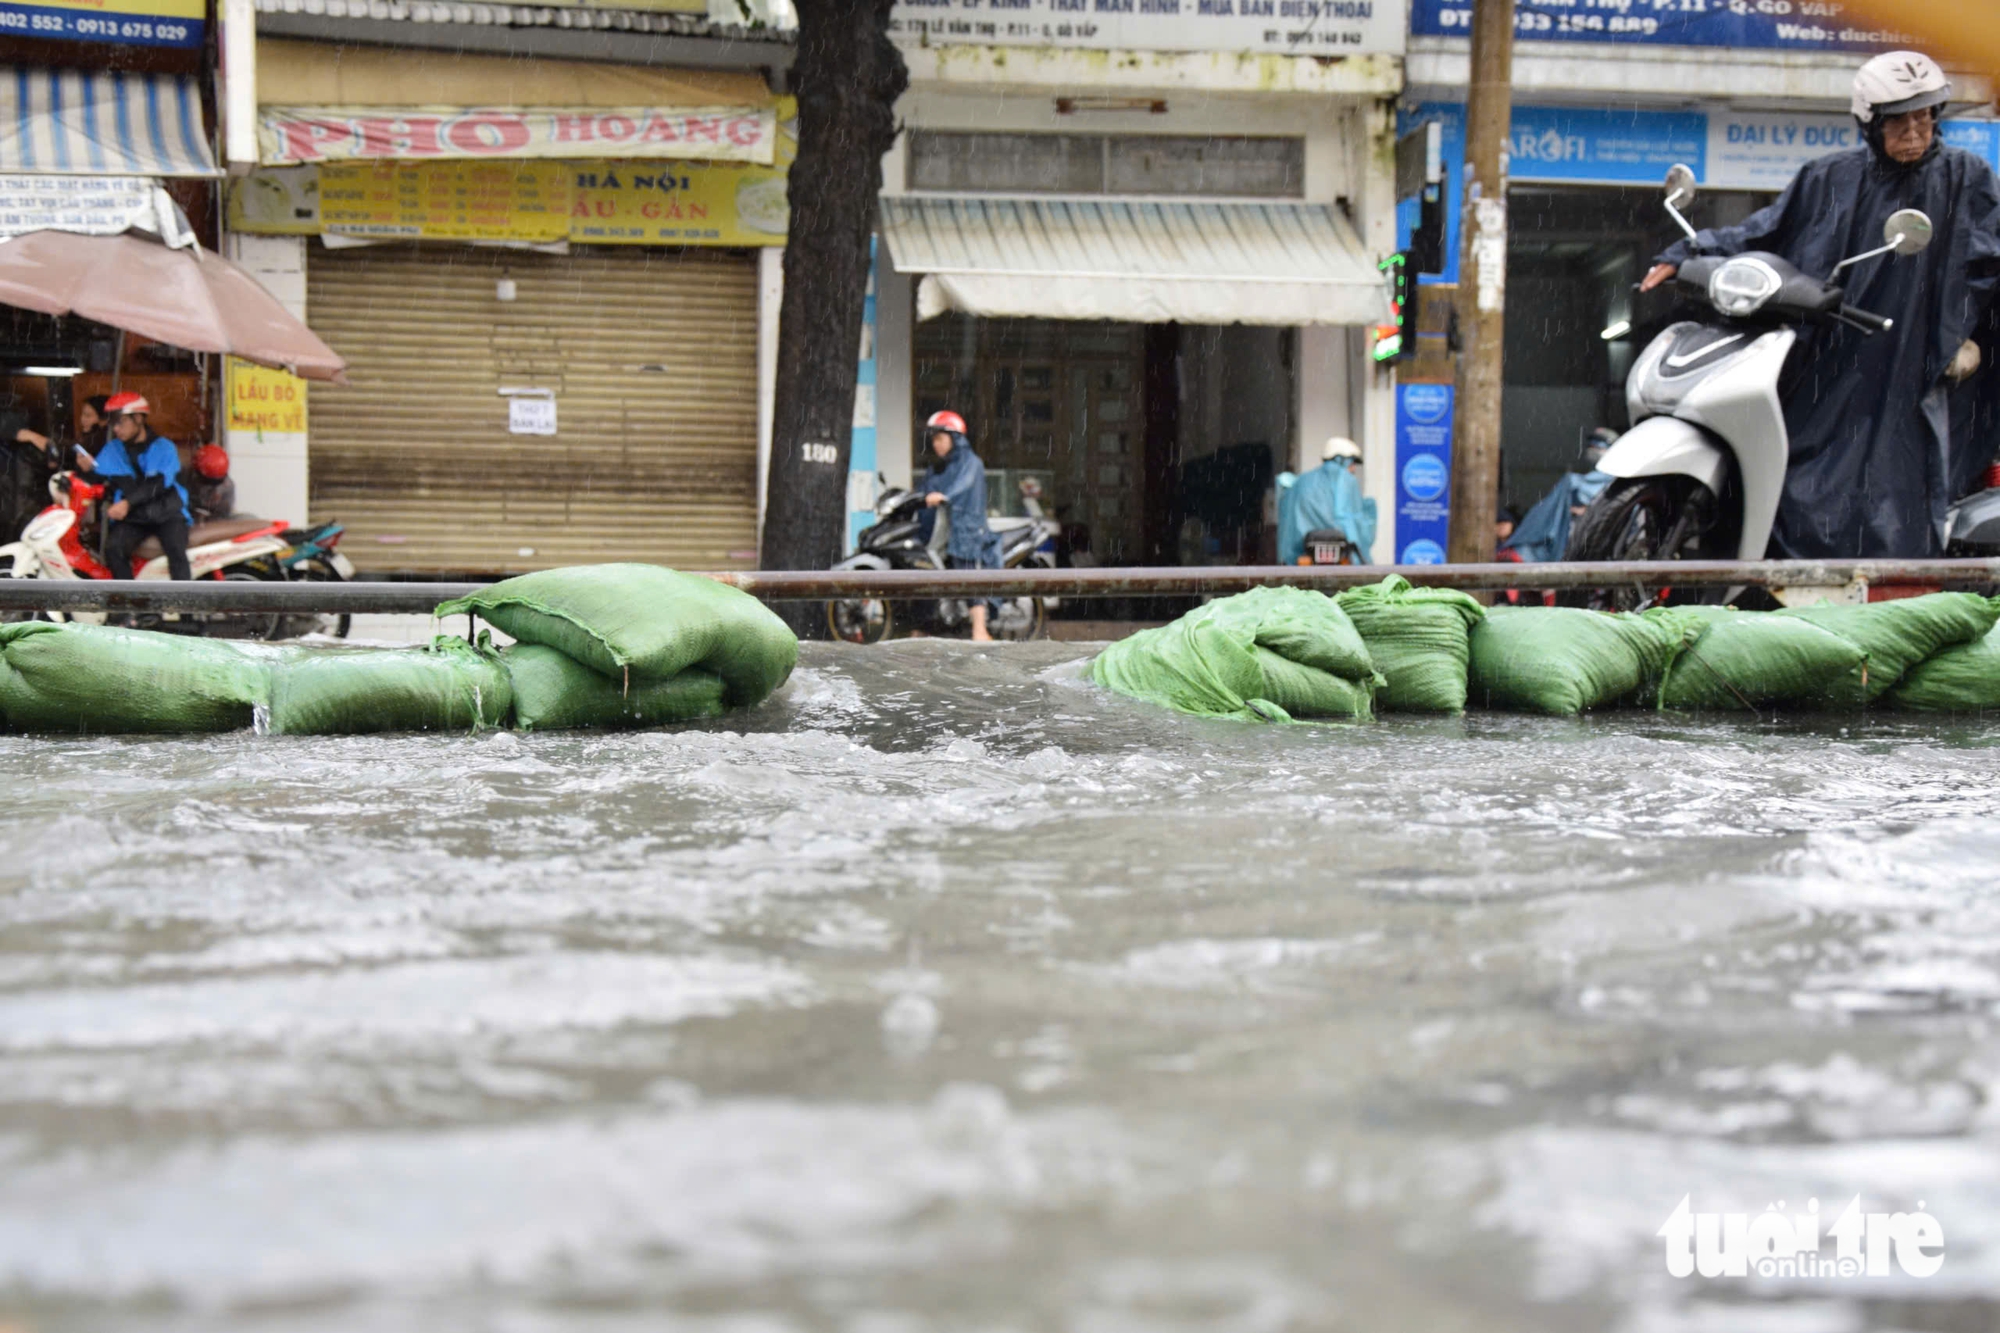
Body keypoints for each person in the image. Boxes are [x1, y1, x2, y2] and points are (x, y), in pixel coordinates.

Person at [1638, 51, 2000, 558]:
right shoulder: (1828, 178)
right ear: (1869, 122)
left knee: (1901, 486)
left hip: (1912, 360)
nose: (1916, 131)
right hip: (1826, 359)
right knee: (1793, 475)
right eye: (1901, 119)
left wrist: (1973, 339)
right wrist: (1688, 253)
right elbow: (1765, 230)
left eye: (1925, 117)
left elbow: (1989, 257)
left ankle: (1899, 590)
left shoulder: (1966, 177)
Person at [919, 409, 1004, 641]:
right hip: (944, 530)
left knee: (967, 572)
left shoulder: (971, 463)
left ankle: (979, 629)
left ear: (954, 438)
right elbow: (926, 489)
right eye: (934, 439)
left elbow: (961, 486)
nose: (936, 444)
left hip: (967, 529)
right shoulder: (940, 466)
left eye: (941, 438)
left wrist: (944, 495)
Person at [94, 393, 192, 580]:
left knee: (176, 551)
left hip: (167, 512)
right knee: (113, 549)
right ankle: (131, 605)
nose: (116, 429)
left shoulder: (164, 447)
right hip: (135, 517)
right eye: (113, 423)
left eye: (120, 422)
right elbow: (96, 475)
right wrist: (82, 469)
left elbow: (158, 484)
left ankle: (186, 607)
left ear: (138, 418)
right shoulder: (113, 449)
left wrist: (126, 503)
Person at [1505, 430, 1616, 562]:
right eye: (1591, 445)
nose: (1592, 449)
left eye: (1598, 446)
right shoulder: (1574, 484)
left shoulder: (1612, 484)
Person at [1277, 437, 1377, 565]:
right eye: (1352, 463)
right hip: (1339, 556)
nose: (1353, 469)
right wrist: (1360, 559)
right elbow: (1349, 521)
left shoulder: (1302, 480)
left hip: (1301, 554)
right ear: (1341, 459)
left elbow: (1288, 526)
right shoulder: (1345, 479)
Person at [185, 444, 237, 524]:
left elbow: (223, 516)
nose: (212, 486)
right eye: (208, 481)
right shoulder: (183, 477)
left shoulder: (227, 487)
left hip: (211, 525)